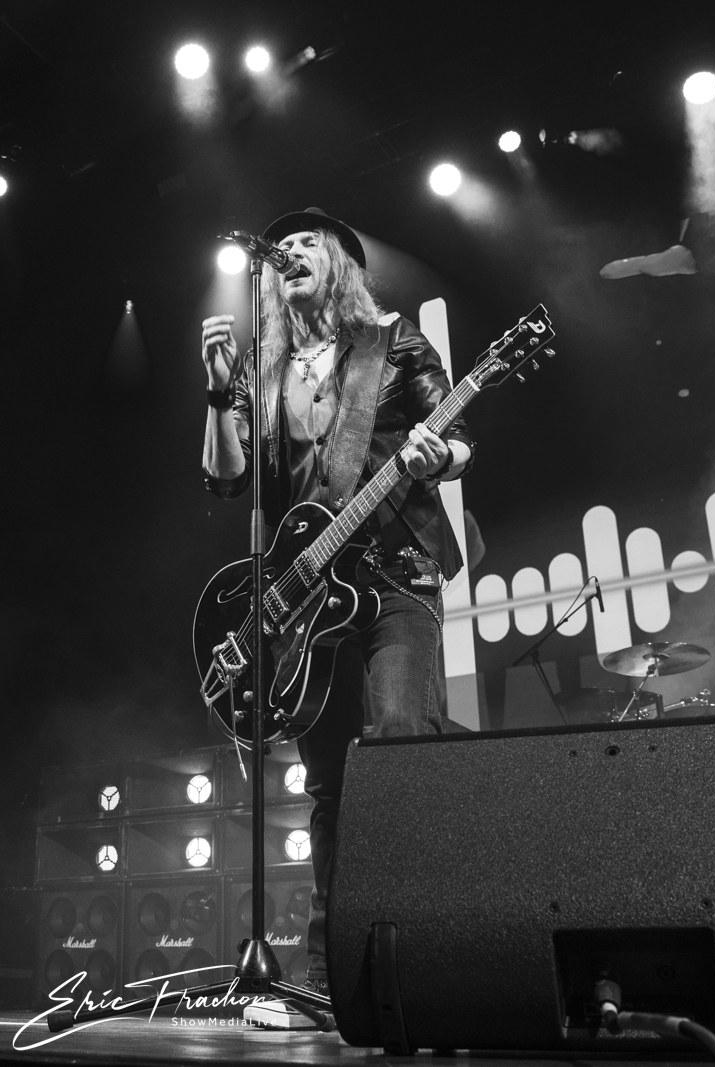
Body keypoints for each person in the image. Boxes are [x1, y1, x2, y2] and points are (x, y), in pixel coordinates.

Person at [200, 208, 473, 1026]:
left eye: (306, 243)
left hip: (395, 576)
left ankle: (421, 968)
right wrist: (217, 392)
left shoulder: (394, 340)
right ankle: (328, 984)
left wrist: (439, 455)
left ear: (342, 263)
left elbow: (458, 437)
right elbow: (225, 479)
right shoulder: (264, 368)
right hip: (310, 602)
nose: (288, 253)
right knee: (329, 789)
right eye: (282, 247)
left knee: (396, 749)